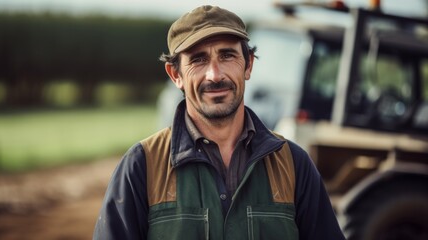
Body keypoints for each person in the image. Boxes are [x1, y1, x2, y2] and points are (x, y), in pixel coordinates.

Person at [93, 5, 345, 240]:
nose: (215, 75)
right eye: (198, 59)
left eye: (226, 56)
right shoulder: (141, 166)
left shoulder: (294, 164)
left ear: (248, 65)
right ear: (175, 75)